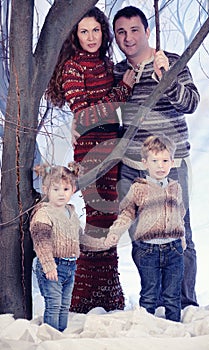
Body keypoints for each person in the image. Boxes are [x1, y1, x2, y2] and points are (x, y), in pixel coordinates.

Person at [45, 7, 135, 313]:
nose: (91, 37)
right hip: (91, 152)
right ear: (75, 36)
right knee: (100, 220)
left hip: (113, 147)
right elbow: (84, 117)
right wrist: (123, 90)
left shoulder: (107, 65)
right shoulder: (72, 68)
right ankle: (85, 296)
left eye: (95, 30)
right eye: (84, 31)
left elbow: (108, 113)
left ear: (104, 32)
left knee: (106, 220)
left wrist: (112, 103)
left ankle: (105, 293)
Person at [112, 6, 200, 309]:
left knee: (180, 235)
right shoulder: (117, 72)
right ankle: (154, 301)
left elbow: (191, 103)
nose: (128, 37)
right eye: (121, 32)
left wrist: (168, 78)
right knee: (142, 239)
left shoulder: (172, 62)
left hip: (171, 166)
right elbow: (110, 116)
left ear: (147, 31)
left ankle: (185, 303)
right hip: (133, 169)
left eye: (134, 30)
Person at [105, 134, 186, 322]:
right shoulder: (139, 189)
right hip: (148, 250)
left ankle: (175, 332)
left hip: (174, 249)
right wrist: (115, 232)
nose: (160, 166)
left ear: (172, 162)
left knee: (172, 296)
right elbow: (126, 213)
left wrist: (181, 239)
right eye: (155, 161)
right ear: (144, 163)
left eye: (165, 160)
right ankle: (146, 330)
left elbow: (179, 214)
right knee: (149, 294)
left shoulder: (175, 188)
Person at [30, 163, 106, 331]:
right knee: (54, 304)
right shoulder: (44, 213)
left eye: (65, 189)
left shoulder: (71, 212)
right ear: (46, 189)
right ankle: (50, 337)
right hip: (52, 265)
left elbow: (79, 237)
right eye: (55, 189)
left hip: (70, 266)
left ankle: (61, 335)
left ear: (72, 189)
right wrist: (49, 266)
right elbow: (41, 243)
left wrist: (101, 244)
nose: (61, 194)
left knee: (65, 305)